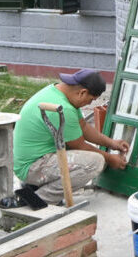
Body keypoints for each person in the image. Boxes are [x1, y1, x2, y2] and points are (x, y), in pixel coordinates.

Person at [14, 68, 129, 204]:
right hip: (31, 167)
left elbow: (83, 127)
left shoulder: (56, 91)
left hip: (30, 160)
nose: (90, 104)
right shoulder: (63, 108)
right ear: (82, 92)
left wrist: (112, 143)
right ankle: (36, 199)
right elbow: (79, 145)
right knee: (95, 162)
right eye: (91, 100)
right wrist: (110, 159)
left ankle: (33, 186)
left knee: (92, 157)